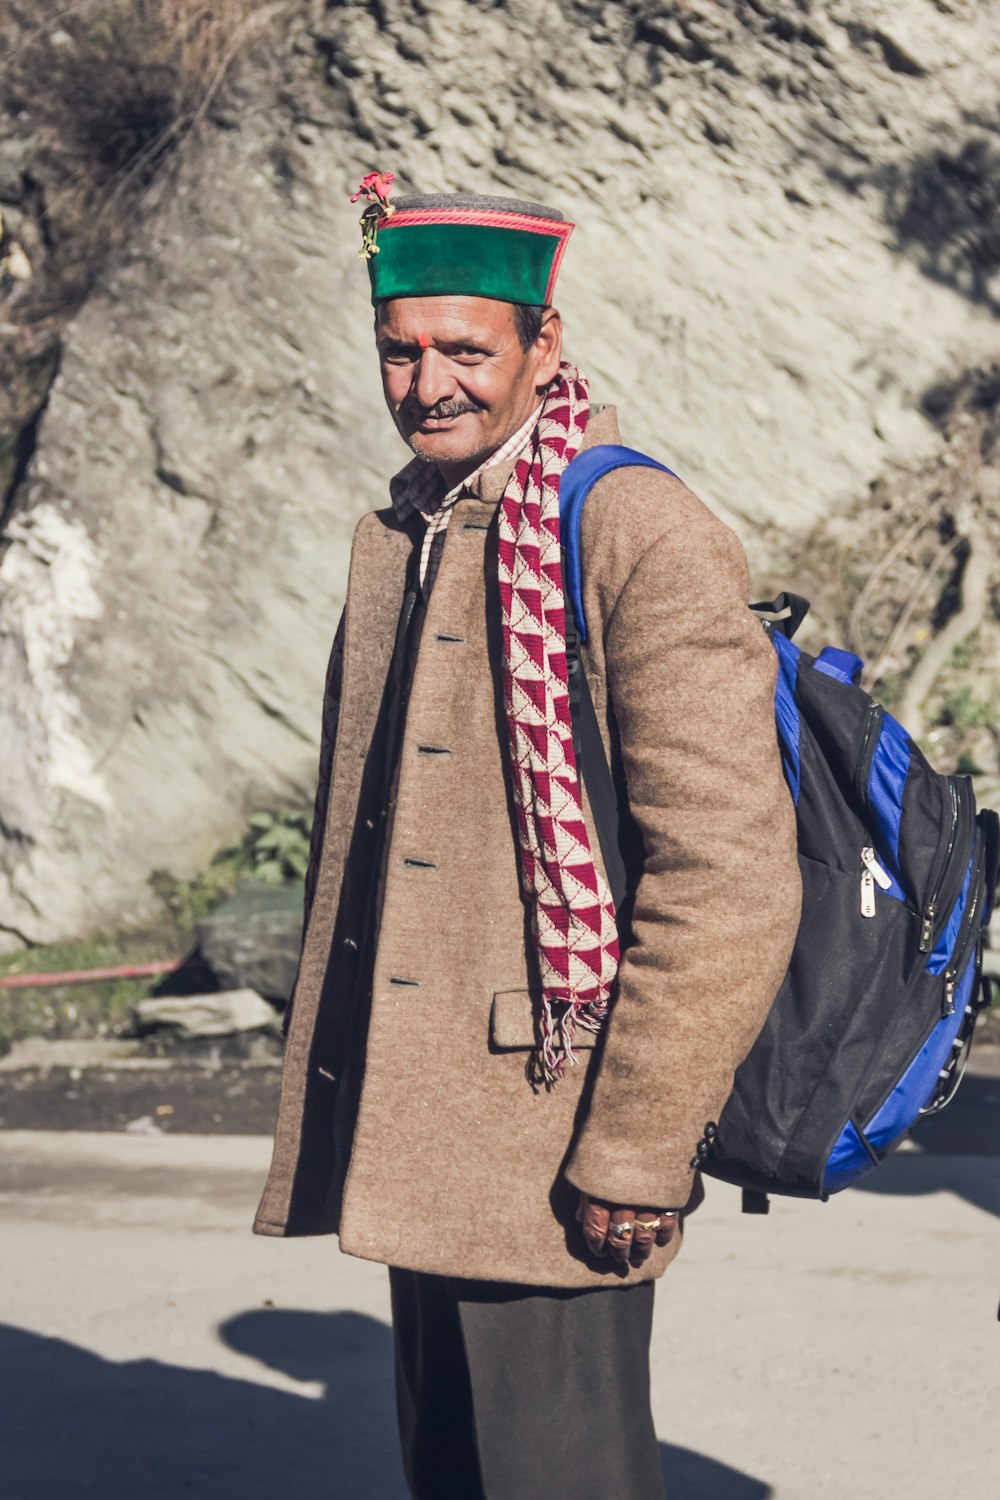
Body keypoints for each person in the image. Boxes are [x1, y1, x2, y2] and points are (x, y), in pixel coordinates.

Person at [255, 178, 801, 1499]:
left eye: (466, 350)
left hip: (557, 1136)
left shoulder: (634, 531)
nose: (427, 381)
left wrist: (636, 1149)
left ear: (542, 348)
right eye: (401, 347)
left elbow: (724, 880)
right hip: (420, 1121)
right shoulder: (409, 529)